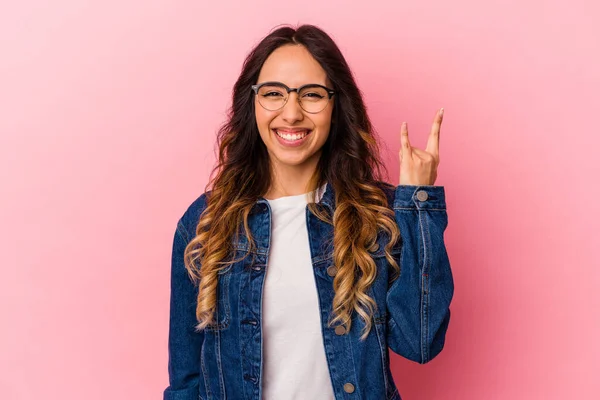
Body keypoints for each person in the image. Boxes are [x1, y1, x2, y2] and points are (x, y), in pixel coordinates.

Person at [163, 24, 454, 400]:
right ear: (252, 103)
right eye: (273, 93)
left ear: (336, 105)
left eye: (312, 94)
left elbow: (420, 342)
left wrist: (419, 204)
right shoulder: (206, 224)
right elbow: (186, 380)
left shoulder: (376, 216)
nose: (292, 112)